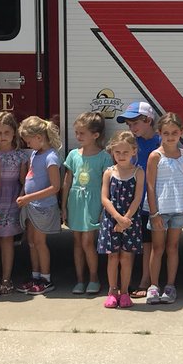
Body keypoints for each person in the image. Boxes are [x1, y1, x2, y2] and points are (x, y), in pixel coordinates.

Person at [62, 112, 111, 296]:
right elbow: (67, 181)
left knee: (88, 241)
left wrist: (104, 208)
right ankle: (80, 280)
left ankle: (93, 278)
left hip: (93, 202)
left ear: (95, 135)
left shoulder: (104, 157)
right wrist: (64, 205)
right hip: (76, 202)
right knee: (77, 242)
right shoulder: (73, 154)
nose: (78, 136)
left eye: (82, 133)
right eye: (76, 133)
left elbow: (107, 185)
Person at [145, 113, 183, 305]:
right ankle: (153, 286)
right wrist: (154, 212)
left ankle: (170, 286)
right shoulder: (155, 156)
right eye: (166, 133)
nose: (170, 137)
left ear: (181, 132)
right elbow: (150, 185)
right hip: (160, 210)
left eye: (174, 132)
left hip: (178, 208)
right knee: (158, 248)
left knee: (173, 248)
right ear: (159, 134)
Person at [117, 101, 161, 297]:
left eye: (135, 123)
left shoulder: (160, 141)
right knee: (132, 241)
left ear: (148, 120)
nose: (132, 128)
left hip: (152, 201)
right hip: (132, 200)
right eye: (128, 125)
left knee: (148, 243)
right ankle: (124, 281)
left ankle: (145, 281)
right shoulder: (131, 143)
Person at [97, 131, 146, 308]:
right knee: (112, 258)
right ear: (112, 153)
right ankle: (112, 291)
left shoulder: (138, 172)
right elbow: (104, 198)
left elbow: (137, 198)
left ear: (134, 151)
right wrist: (118, 218)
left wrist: (126, 220)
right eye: (117, 152)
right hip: (111, 221)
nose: (121, 156)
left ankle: (125, 292)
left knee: (126, 258)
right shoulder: (109, 172)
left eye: (125, 152)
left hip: (130, 221)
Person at [15, 115, 62, 295]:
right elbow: (29, 177)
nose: (27, 144)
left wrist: (29, 197)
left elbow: (55, 187)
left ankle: (46, 278)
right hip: (31, 205)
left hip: (43, 207)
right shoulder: (35, 154)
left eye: (29, 140)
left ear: (39, 137)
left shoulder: (51, 157)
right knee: (32, 242)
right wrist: (23, 195)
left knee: (40, 243)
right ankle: (35, 276)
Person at [0, 111, 28, 296]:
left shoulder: (20, 157)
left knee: (7, 241)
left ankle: (6, 279)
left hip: (10, 200)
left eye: (7, 133)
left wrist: (22, 197)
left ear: (14, 133)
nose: (3, 137)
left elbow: (23, 180)